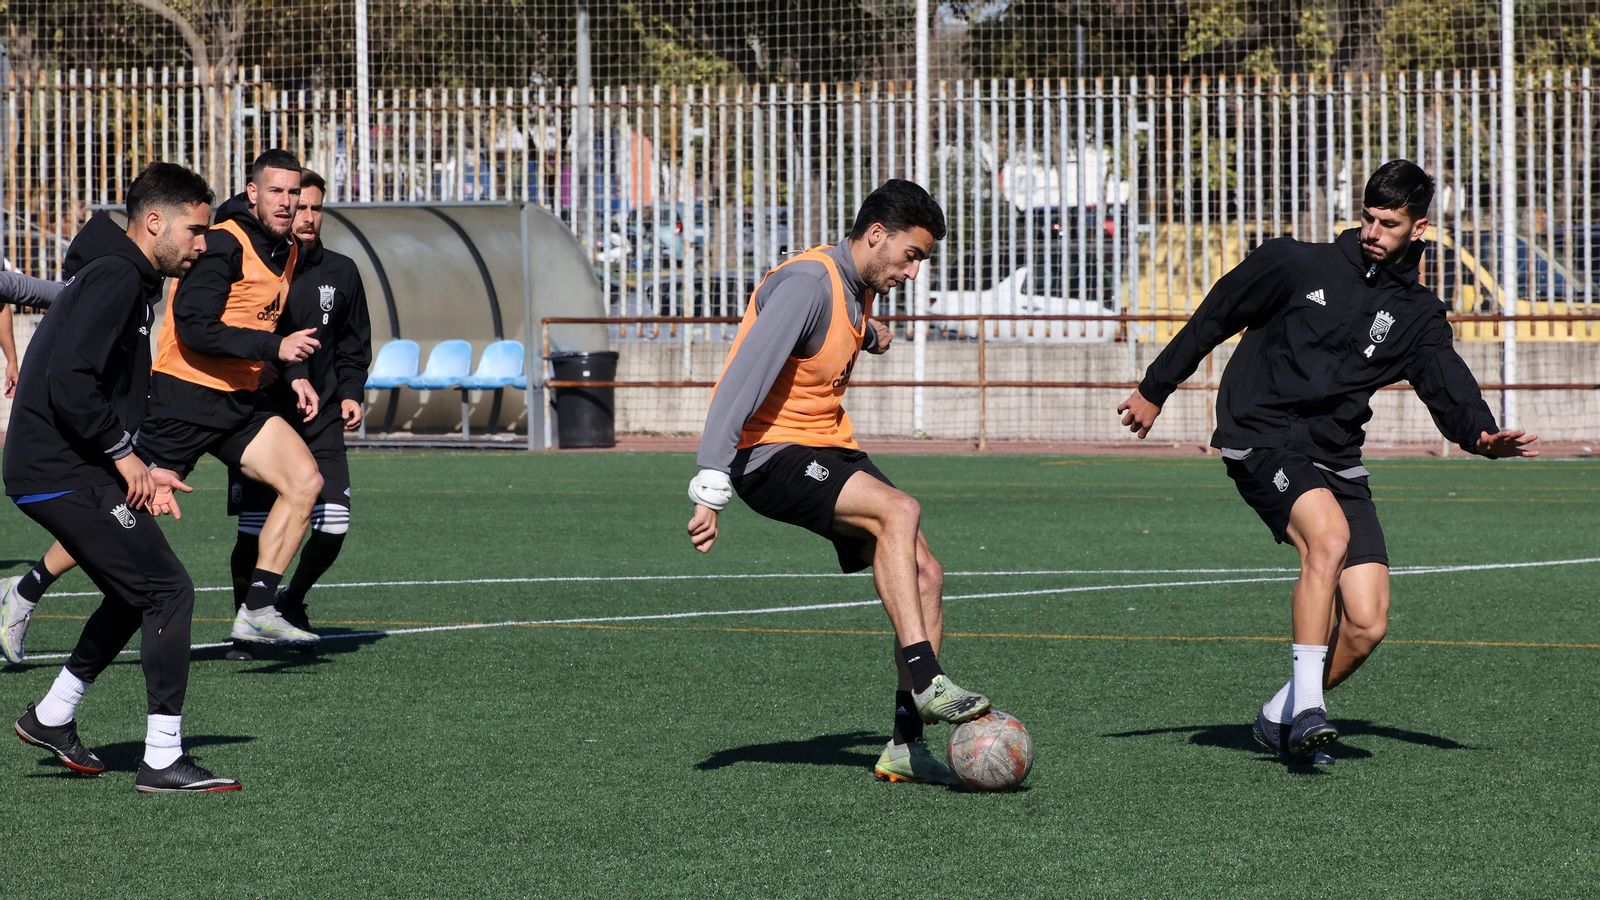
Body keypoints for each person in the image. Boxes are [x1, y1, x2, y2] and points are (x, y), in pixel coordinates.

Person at [1117, 160, 1538, 767]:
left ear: (1418, 229)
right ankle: (1311, 711)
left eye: (1388, 223)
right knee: (1329, 538)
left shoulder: (1417, 314)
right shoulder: (1296, 262)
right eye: (1367, 216)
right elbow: (1215, 313)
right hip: (1260, 434)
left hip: (1335, 456)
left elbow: (1449, 383)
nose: (1372, 230)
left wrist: (1481, 433)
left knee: (1367, 623)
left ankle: (1277, 715)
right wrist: (1156, 387)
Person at [686, 179, 990, 787]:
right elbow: (740, 381)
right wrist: (709, 483)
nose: (914, 270)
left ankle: (906, 745)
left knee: (927, 572)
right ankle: (927, 678)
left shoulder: (857, 285)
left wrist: (872, 336)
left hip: (825, 446)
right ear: (877, 235)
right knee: (899, 510)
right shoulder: (806, 285)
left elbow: (832, 337)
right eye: (912, 255)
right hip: (767, 456)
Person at [5, 162, 240, 791]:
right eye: (195, 230)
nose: (202, 244)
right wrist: (124, 456)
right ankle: (162, 757)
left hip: (71, 466)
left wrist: (146, 465)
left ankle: (53, 714)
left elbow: (107, 392)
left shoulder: (129, 281)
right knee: (168, 591)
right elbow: (70, 381)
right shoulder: (115, 276)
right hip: (59, 469)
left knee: (134, 588)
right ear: (154, 221)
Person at [134, 148, 325, 649]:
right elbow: (196, 328)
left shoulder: (286, 249)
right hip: (186, 397)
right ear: (253, 192)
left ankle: (258, 609)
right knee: (119, 507)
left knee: (305, 481)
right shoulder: (222, 243)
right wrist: (273, 349)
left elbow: (273, 322)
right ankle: (23, 590)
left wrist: (296, 373)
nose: (287, 203)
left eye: (295, 193)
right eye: (277, 192)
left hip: (241, 400)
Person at [223, 169, 371, 660]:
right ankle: (247, 617)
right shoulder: (265, 268)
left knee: (333, 525)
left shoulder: (343, 272)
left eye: (315, 207)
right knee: (253, 530)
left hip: (322, 417)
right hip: (262, 416)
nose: (307, 216)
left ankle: (291, 600)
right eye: (299, 206)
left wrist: (350, 391)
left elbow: (353, 346)